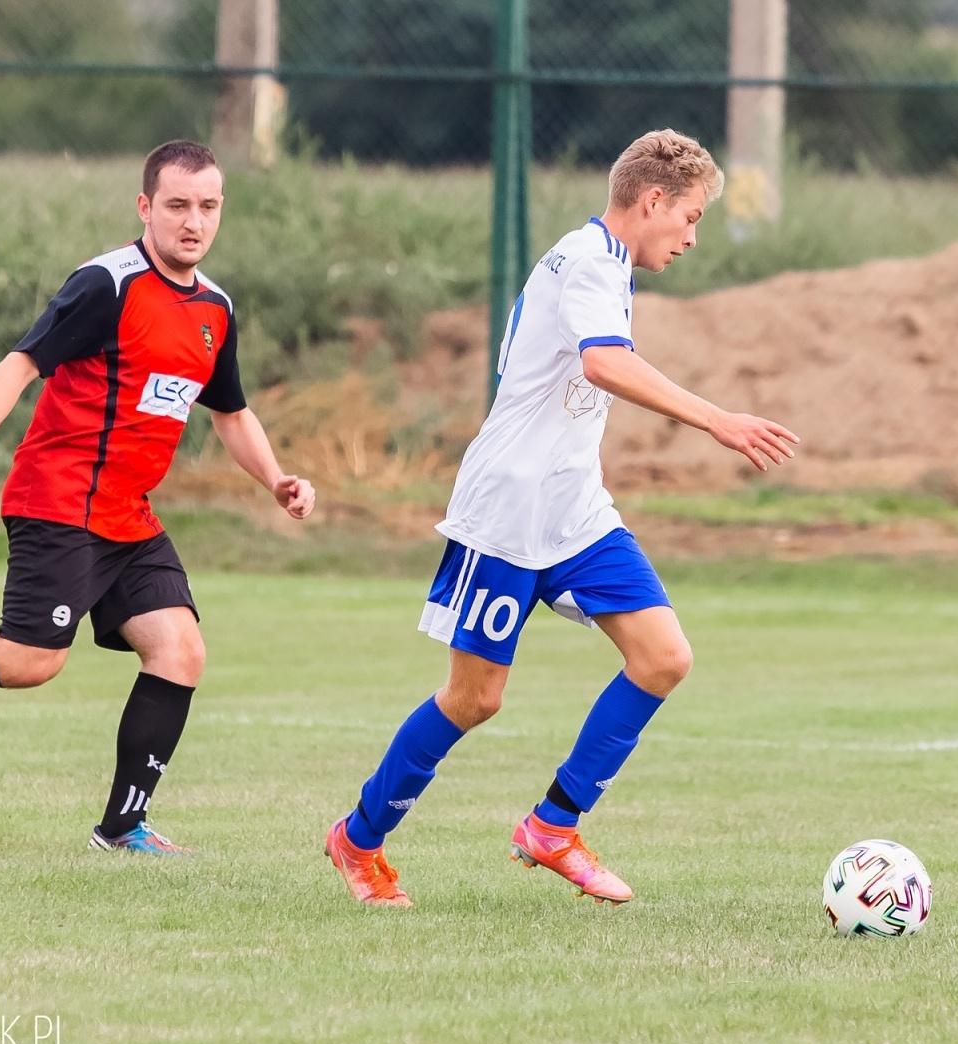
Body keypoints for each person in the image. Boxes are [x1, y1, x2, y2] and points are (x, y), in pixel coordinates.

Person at [325, 129, 797, 907]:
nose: (691, 236)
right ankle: (358, 838)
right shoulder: (589, 262)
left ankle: (552, 826)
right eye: (690, 217)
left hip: (574, 509)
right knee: (475, 699)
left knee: (663, 657)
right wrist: (717, 419)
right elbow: (603, 363)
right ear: (653, 200)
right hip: (508, 510)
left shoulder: (606, 265)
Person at [0, 139, 315, 854]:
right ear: (145, 207)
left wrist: (277, 480)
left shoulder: (215, 308)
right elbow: (22, 362)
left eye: (208, 206)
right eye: (177, 205)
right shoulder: (107, 285)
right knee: (29, 664)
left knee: (180, 651)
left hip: (128, 513)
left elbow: (231, 413)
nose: (193, 222)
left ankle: (123, 828)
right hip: (59, 499)